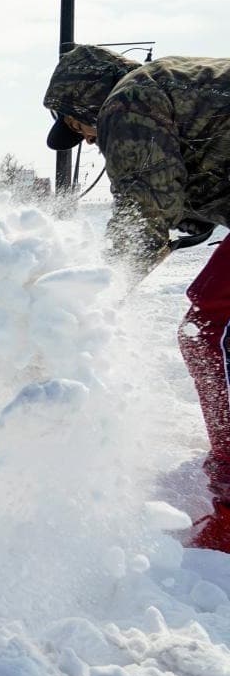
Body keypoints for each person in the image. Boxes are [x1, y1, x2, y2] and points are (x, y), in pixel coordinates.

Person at [42, 43, 230, 552]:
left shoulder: (125, 103)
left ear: (83, 103)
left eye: (78, 128)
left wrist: (89, 306)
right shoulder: (169, 83)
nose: (86, 138)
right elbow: (195, 176)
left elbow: (143, 216)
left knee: (210, 328)